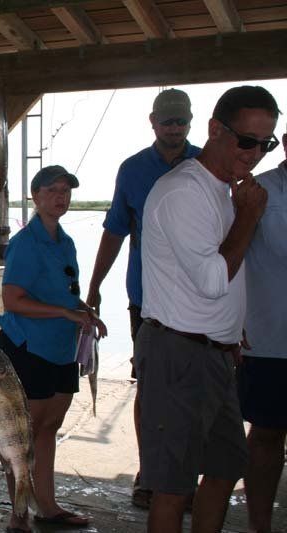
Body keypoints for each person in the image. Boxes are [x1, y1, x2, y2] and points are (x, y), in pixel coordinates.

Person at [136, 85, 278, 531]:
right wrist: (250, 217)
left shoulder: (225, 190)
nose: (255, 153)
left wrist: (233, 329)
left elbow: (227, 279)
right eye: (247, 140)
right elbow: (214, 279)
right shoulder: (185, 191)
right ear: (216, 129)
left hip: (216, 353)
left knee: (223, 470)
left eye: (265, 143)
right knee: (174, 487)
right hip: (178, 354)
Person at [86, 88, 200, 508]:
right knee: (150, 389)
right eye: (167, 121)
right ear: (152, 122)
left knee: (193, 390)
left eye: (181, 121)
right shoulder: (132, 169)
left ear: (191, 123)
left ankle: (184, 475)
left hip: (199, 300)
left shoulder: (208, 164)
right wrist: (95, 285)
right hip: (147, 301)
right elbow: (115, 230)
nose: (174, 128)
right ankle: (150, 472)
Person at [0, 165, 107, 530]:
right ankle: (18, 514)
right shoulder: (25, 243)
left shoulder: (66, 241)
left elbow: (67, 293)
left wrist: (86, 313)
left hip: (61, 348)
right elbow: (12, 300)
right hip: (28, 348)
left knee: (49, 429)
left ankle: (48, 506)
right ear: (36, 197)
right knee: (21, 436)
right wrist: (63, 311)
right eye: (52, 190)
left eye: (66, 190)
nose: (61, 196)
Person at [239, 127, 287, 533]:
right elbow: (230, 259)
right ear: (286, 142)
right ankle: (260, 526)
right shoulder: (258, 191)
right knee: (268, 434)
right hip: (269, 337)